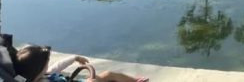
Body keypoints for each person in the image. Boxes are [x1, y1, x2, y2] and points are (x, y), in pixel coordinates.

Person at [13, 45, 148, 82]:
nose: (49, 64)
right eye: (47, 62)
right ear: (39, 68)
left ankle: (135, 80)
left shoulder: (42, 75)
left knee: (109, 74)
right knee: (108, 76)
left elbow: (58, 66)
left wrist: (74, 58)